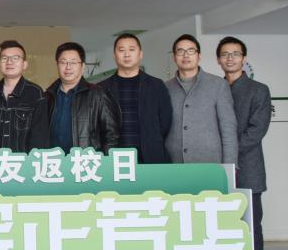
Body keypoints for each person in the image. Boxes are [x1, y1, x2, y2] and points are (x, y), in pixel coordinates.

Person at [217, 35, 271, 250]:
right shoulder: (214, 88)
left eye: (235, 54)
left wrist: (228, 150)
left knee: (250, 225)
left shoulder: (258, 90)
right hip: (218, 167)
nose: (230, 58)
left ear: (244, 58)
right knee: (222, 224)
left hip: (248, 168)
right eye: (225, 54)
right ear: (218, 60)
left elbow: (257, 130)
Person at [98, 33, 173, 163]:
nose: (127, 54)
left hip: (151, 156)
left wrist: (151, 139)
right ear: (115, 55)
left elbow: (165, 121)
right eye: (121, 50)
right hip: (113, 158)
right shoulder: (101, 89)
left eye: (132, 49)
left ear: (140, 54)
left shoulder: (156, 85)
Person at [165, 34, 238, 165]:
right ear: (174, 57)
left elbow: (228, 130)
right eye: (180, 51)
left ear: (199, 56)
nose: (186, 55)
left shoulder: (218, 85)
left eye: (191, 51)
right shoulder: (165, 87)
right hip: (174, 163)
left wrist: (229, 166)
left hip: (210, 162)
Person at [44, 42, 120, 153]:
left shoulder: (98, 94)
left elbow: (112, 135)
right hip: (53, 161)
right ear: (57, 65)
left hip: (86, 161)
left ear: (82, 66)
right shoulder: (47, 97)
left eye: (73, 62)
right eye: (63, 62)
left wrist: (104, 161)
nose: (68, 67)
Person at [0, 39, 49, 152]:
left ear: (24, 64)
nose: (9, 62)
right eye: (4, 58)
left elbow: (40, 136)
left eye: (15, 58)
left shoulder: (35, 93)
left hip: (24, 161)